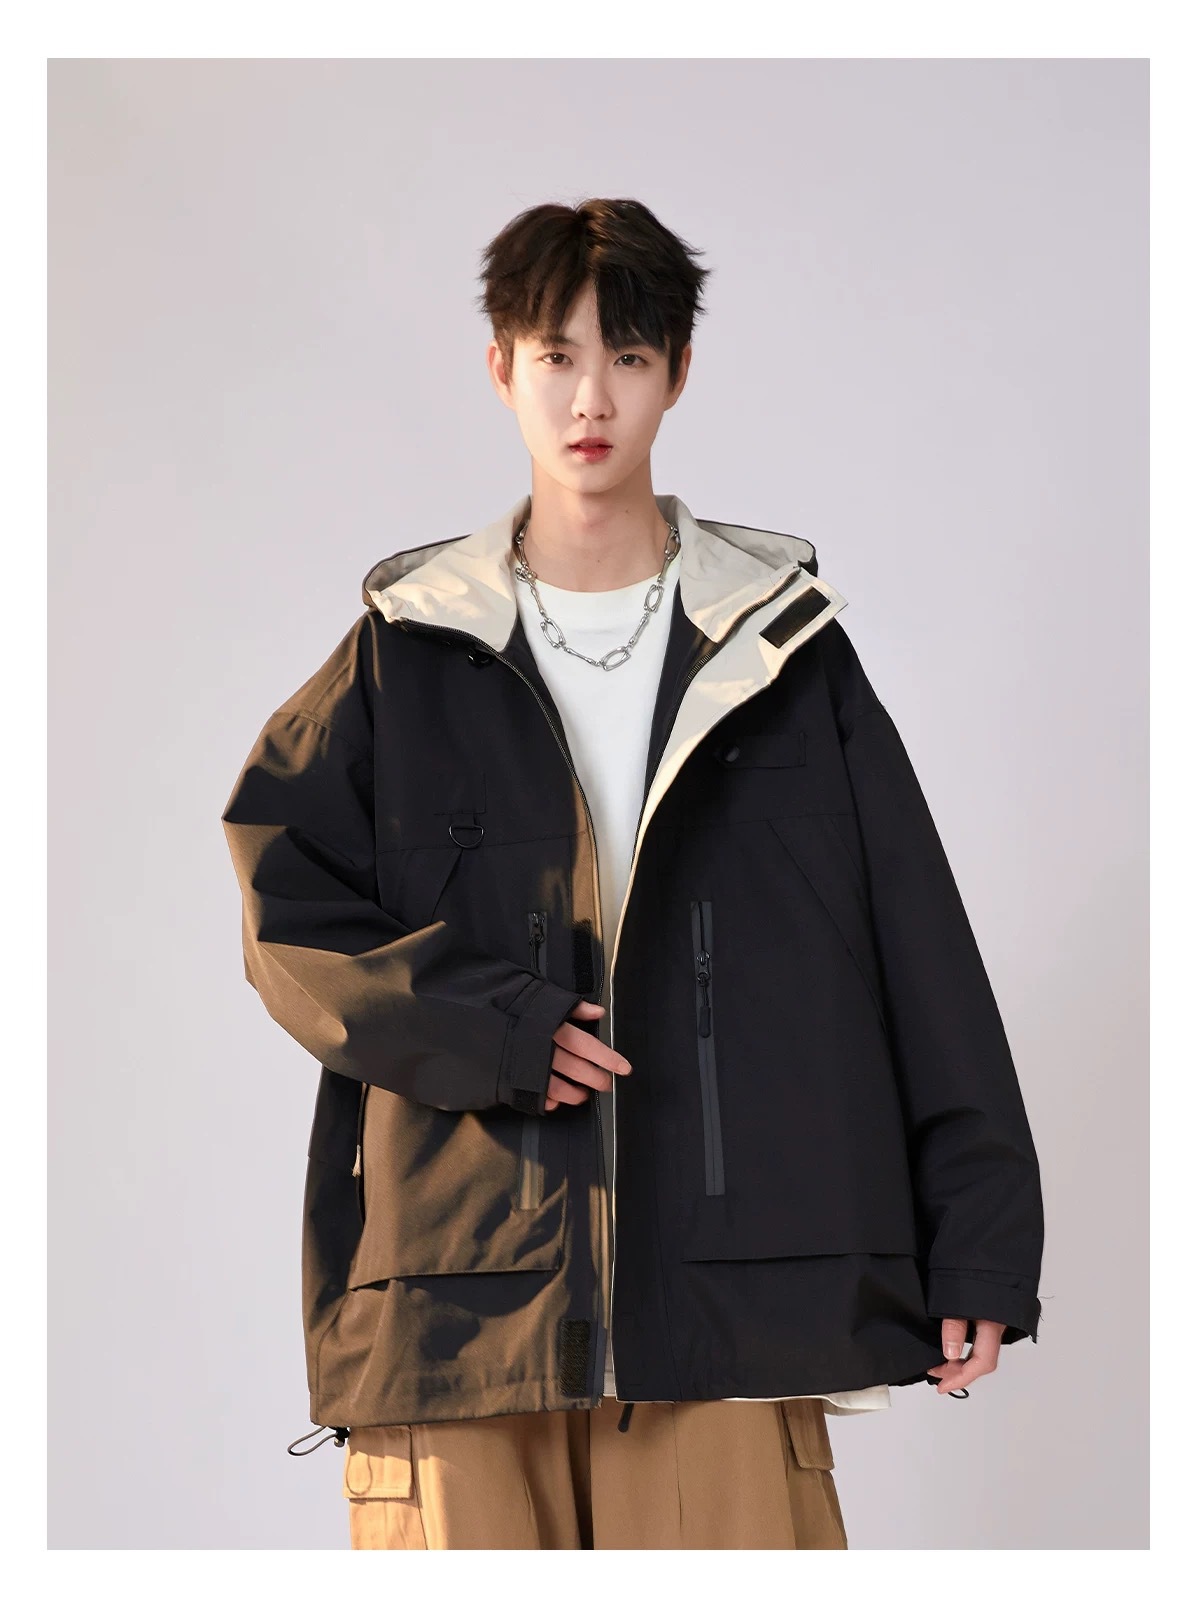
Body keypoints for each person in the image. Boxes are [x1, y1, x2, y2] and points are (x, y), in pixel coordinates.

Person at [220, 197, 1045, 1550]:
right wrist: (492, 1030)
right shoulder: (403, 653)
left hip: (731, 1312)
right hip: (461, 1305)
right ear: (501, 366)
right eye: (556, 355)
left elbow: (920, 947)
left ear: (679, 372)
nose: (591, 397)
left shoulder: (782, 653)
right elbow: (284, 911)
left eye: (629, 356)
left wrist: (980, 1240)